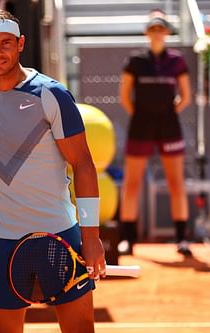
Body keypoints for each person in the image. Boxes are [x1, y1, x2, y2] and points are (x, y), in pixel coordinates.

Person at [0, 10, 105, 333]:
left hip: (60, 235)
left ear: (21, 44)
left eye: (6, 43)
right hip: (0, 241)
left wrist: (91, 236)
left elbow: (83, 164)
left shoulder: (51, 94)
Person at [118, 9, 192, 257]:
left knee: (175, 183)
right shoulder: (135, 61)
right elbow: (124, 97)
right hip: (141, 125)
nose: (157, 33)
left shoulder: (177, 61)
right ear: (146, 32)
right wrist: (142, 114)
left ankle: (182, 240)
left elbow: (186, 96)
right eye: (153, 29)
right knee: (132, 183)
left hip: (169, 126)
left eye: (161, 29)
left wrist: (168, 113)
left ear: (167, 32)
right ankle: (129, 240)